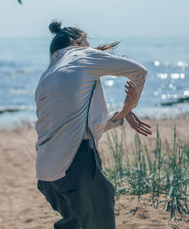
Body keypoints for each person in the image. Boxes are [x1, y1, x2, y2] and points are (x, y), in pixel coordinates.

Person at [35, 21, 152, 229]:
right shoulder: (81, 56)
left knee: (77, 223)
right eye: (87, 41)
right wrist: (134, 102)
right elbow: (139, 72)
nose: (90, 46)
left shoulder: (47, 77)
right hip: (76, 165)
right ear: (76, 42)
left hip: (47, 175)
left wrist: (124, 113)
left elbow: (78, 128)